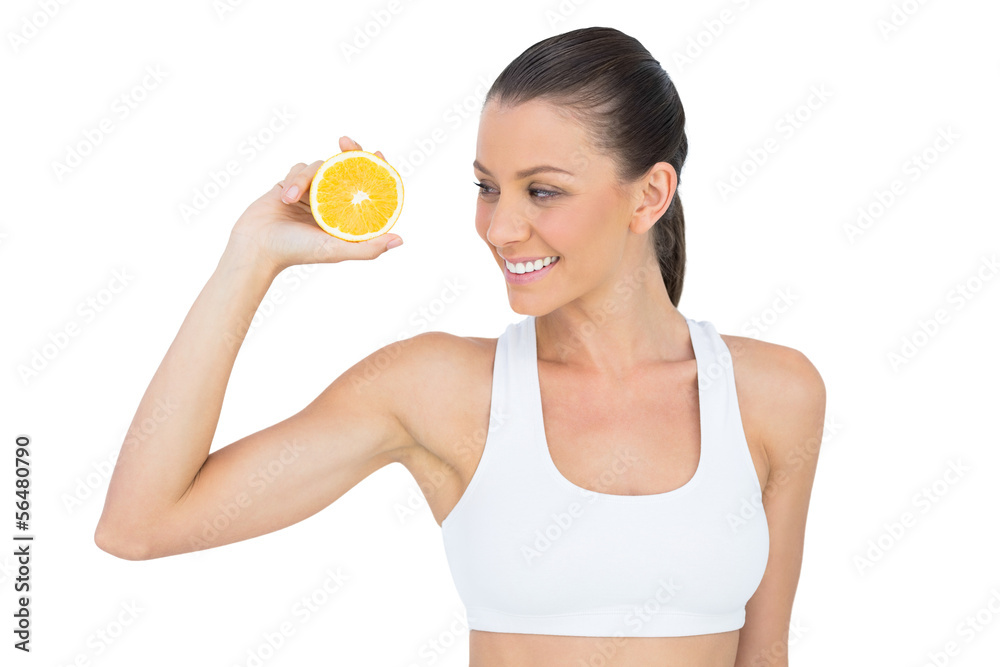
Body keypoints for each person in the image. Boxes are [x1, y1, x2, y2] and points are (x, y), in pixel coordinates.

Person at [96, 26, 825, 667]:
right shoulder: (435, 390)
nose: (499, 228)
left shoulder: (775, 395)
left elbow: (764, 654)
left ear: (649, 194)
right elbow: (141, 523)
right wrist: (248, 259)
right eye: (486, 187)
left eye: (541, 192)